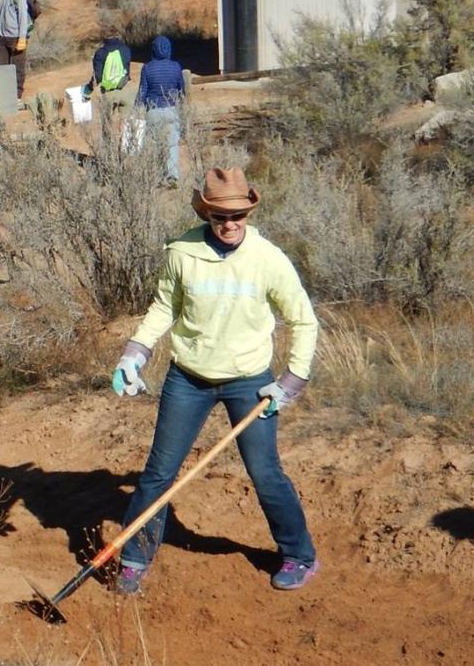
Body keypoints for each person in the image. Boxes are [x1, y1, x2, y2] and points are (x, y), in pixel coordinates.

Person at [109, 167, 320, 594]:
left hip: (251, 383)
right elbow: (165, 306)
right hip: (188, 379)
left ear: (249, 213)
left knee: (265, 472)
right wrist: (136, 351)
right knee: (158, 473)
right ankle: (133, 558)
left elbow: (303, 320)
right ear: (206, 214)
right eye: (220, 217)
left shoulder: (269, 260)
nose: (230, 225)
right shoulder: (182, 252)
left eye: (238, 216)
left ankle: (299, 554)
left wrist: (291, 381)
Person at [136, 34, 187, 184]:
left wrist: (136, 110)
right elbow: (182, 90)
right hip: (171, 108)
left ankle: (158, 177)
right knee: (172, 143)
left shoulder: (147, 68)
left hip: (153, 111)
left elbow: (142, 92)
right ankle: (172, 176)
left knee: (156, 144)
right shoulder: (176, 66)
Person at [86, 31, 133, 120]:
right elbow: (127, 69)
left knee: (107, 123)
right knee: (126, 122)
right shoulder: (126, 49)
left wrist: (88, 88)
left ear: (105, 39)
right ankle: (123, 133)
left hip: (108, 92)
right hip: (125, 89)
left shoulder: (100, 53)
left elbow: (98, 77)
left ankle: (109, 134)